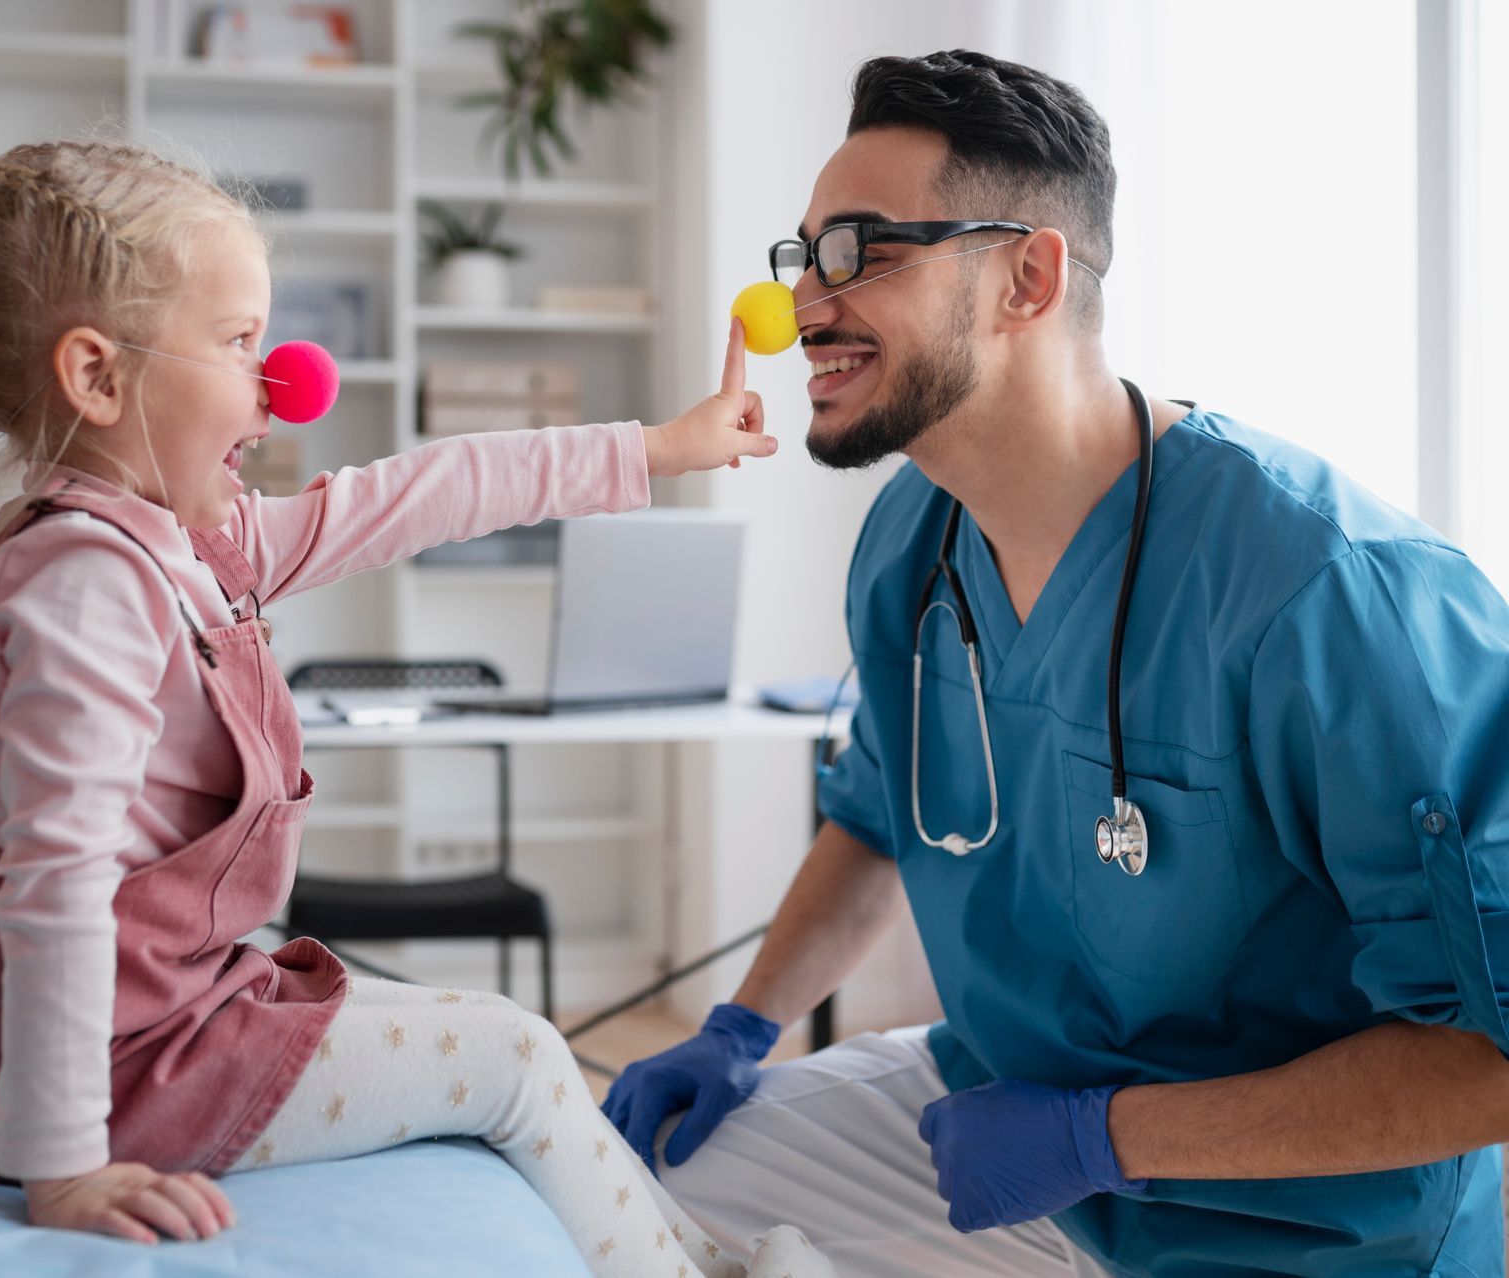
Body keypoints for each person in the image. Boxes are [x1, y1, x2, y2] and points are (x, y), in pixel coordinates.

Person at [0, 132, 833, 1277]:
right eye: (240, 344)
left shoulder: (188, 548)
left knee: (507, 1044)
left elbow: (425, 493)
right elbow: (57, 894)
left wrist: (658, 449)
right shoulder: (84, 588)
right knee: (518, 1057)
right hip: (119, 1071)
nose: (281, 379)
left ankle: (714, 1264)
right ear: (97, 377)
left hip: (163, 1024)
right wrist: (63, 1162)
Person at [605, 48, 1509, 1278]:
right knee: (616, 1193)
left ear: (1029, 276)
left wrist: (1107, 1136)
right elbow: (879, 817)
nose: (796, 309)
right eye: (801, 255)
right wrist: (738, 1027)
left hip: (1293, 1228)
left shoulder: (1331, 594)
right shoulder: (912, 544)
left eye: (857, 250)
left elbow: (1492, 1059)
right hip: (1003, 1114)